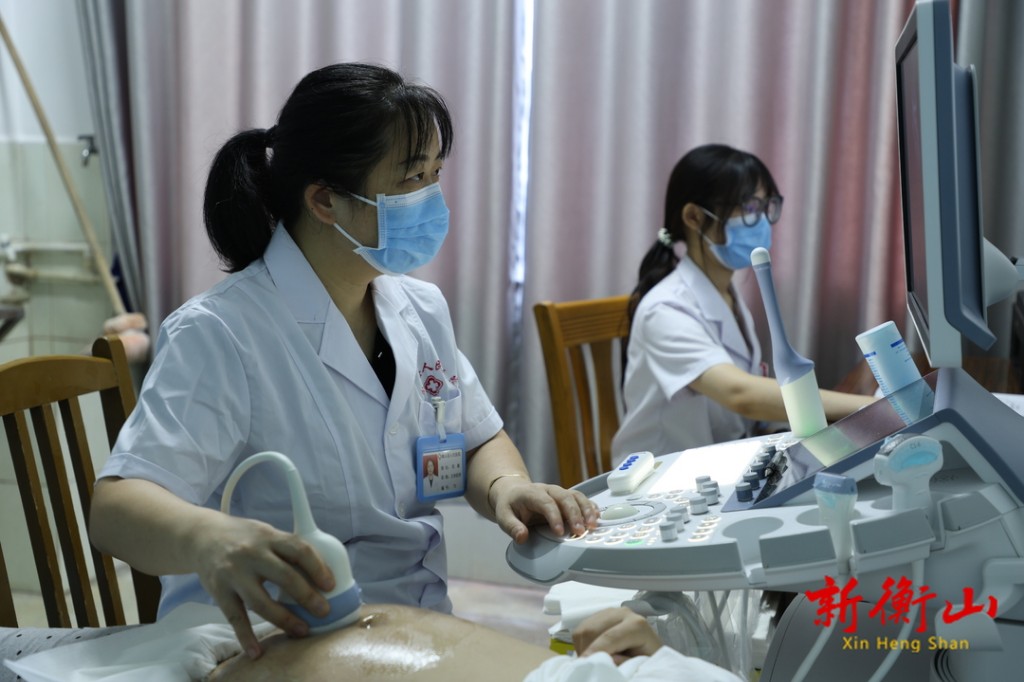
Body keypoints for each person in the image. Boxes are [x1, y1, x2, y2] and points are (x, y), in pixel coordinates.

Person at [88, 62, 598, 660]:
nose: (432, 197)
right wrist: (212, 539)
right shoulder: (221, 332)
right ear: (326, 200)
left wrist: (507, 487)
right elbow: (116, 510)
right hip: (277, 640)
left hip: (410, 627)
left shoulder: (418, 309)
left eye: (436, 174)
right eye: (412, 178)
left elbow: (477, 436)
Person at [611, 144, 874, 463]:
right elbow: (740, 394)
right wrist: (869, 406)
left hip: (721, 459)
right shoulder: (664, 310)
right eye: (749, 207)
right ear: (694, 217)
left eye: (766, 207)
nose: (761, 221)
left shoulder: (726, 296)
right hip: (661, 473)